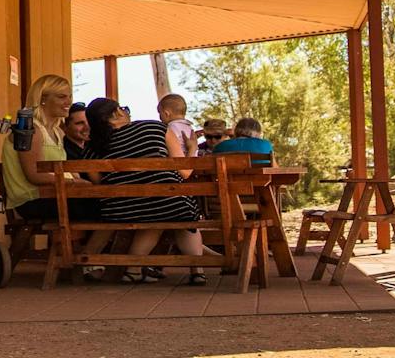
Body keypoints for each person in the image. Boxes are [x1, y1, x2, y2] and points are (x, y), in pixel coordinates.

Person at [84, 96, 210, 285]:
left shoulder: (92, 147)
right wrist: (192, 149)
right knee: (176, 210)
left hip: (120, 210)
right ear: (118, 112)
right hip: (167, 202)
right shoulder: (154, 127)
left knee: (153, 212)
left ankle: (134, 270)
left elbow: (100, 184)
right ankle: (197, 271)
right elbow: (184, 172)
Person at [1, 73, 73, 225]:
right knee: (107, 208)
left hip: (54, 196)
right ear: (42, 99)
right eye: (62, 97)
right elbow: (34, 176)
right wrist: (74, 181)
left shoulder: (58, 132)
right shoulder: (30, 129)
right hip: (31, 201)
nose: (68, 102)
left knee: (111, 206)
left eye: (70, 96)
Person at [210, 118, 275, 162]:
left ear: (236, 131)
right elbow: (275, 170)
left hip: (228, 179)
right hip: (260, 179)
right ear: (257, 133)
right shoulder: (265, 145)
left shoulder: (219, 147)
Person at [159, 93, 198, 158]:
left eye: (160, 113)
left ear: (166, 114)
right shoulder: (189, 126)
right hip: (193, 159)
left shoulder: (171, 127)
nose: (160, 117)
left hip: (179, 160)